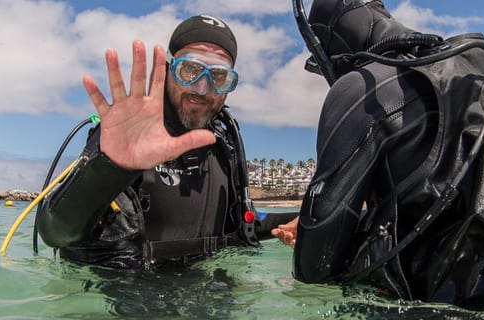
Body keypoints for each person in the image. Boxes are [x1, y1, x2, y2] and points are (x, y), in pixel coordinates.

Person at [275, 0, 484, 312]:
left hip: (425, 305)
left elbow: (319, 252)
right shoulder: (475, 72)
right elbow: (449, 198)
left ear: (329, 41)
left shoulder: (364, 86)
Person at [37, 15, 294, 269]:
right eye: (190, 70)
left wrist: (302, 219)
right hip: (127, 298)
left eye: (218, 76)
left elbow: (244, 226)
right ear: (170, 69)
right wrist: (112, 168)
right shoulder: (131, 133)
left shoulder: (223, 145)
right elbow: (55, 232)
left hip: (206, 296)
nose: (202, 88)